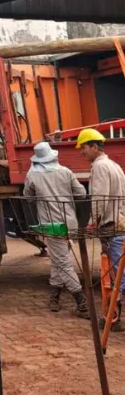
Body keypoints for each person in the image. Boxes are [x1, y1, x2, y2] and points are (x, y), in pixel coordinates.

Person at [23, 141, 88, 316]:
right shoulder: (66, 172)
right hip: (70, 222)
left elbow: (27, 197)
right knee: (59, 259)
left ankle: (81, 302)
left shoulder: (32, 175)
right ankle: (55, 296)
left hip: (52, 225)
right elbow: (81, 193)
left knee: (63, 263)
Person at [78, 127, 125, 330]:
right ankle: (114, 319)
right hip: (120, 221)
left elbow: (100, 198)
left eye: (84, 148)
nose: (82, 152)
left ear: (95, 146)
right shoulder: (114, 165)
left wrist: (93, 223)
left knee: (118, 275)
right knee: (118, 272)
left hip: (110, 226)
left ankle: (114, 320)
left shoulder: (99, 167)